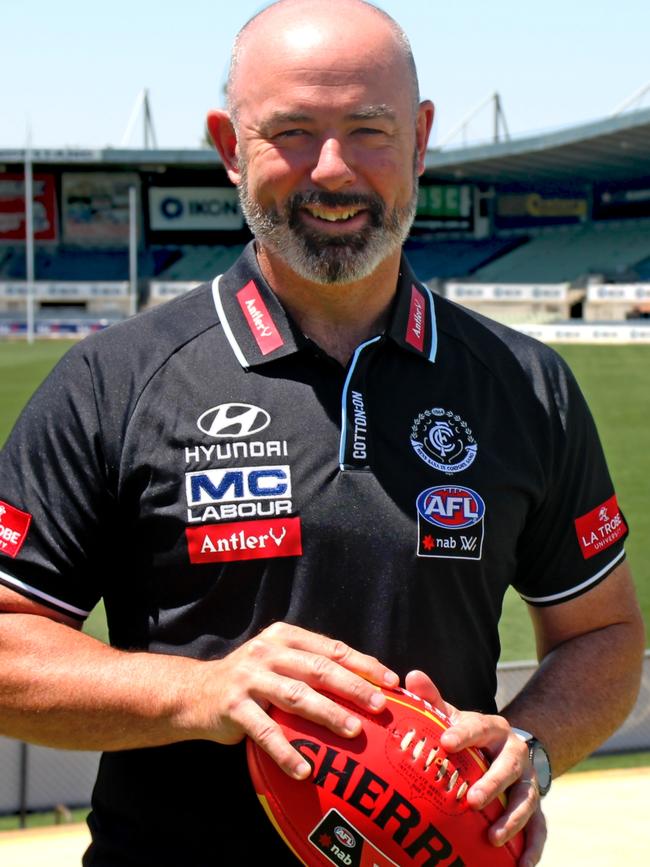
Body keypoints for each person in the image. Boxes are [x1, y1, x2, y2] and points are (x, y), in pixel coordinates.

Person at [0, 1, 644, 864]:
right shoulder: (114, 382)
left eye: (368, 130)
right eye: (292, 131)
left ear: (419, 140)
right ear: (231, 147)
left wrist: (531, 745)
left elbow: (604, 635)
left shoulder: (527, 386)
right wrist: (203, 692)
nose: (332, 170)